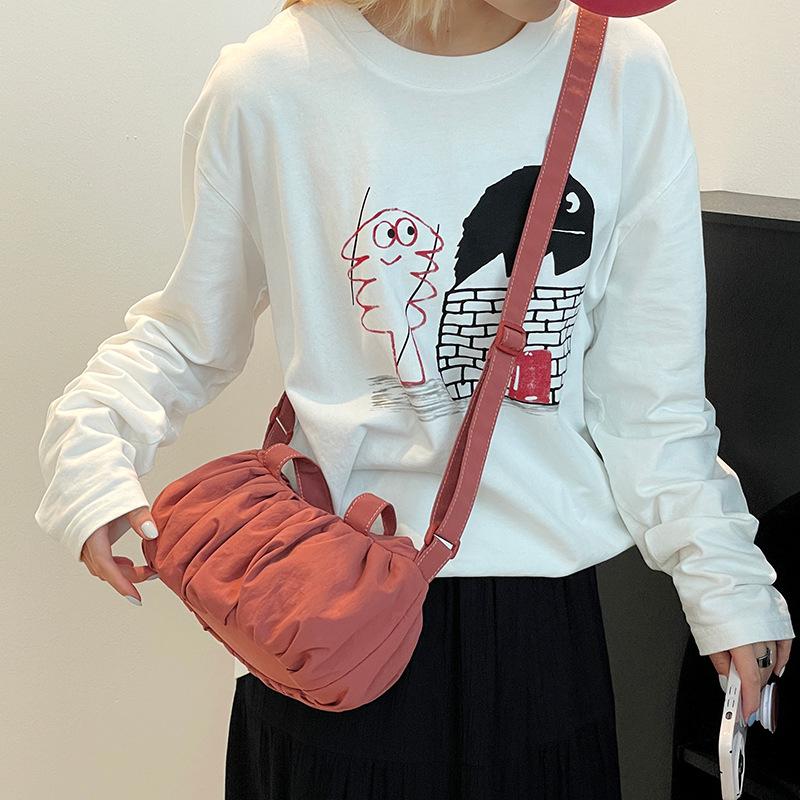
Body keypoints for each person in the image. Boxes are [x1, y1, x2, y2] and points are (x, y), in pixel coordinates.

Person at [34, 0, 794, 796]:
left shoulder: (623, 74)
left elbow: (651, 398)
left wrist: (724, 580)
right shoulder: (271, 84)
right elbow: (191, 333)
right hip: (329, 613)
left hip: (541, 644)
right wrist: (89, 450)